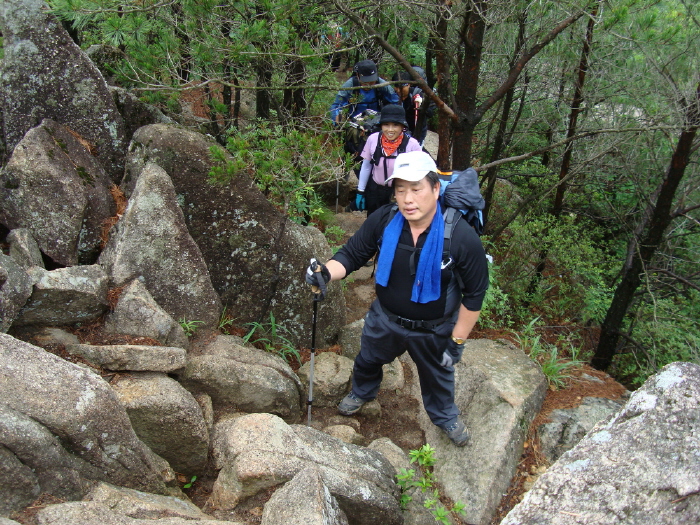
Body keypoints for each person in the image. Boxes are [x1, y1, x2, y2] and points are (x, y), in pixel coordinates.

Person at [305, 151, 489, 446]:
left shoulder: (461, 237)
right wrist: (325, 272)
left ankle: (444, 415)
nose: (407, 198)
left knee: (439, 377)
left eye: (416, 188)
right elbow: (352, 255)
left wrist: (457, 340)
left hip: (435, 329)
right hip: (386, 319)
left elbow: (475, 293)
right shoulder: (386, 220)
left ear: (435, 188)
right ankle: (363, 392)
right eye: (400, 189)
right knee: (367, 359)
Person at [355, 105, 422, 216]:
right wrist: (360, 191)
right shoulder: (373, 139)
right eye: (386, 124)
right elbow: (366, 166)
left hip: (400, 194)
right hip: (375, 191)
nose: (390, 130)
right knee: (374, 224)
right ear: (381, 125)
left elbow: (419, 173)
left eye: (395, 125)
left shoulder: (412, 145)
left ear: (402, 126)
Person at [329, 59, 399, 158]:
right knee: (354, 154)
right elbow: (337, 105)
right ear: (358, 76)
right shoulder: (351, 85)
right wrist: (337, 123)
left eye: (372, 81)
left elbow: (395, 102)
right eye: (366, 81)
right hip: (355, 125)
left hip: (376, 124)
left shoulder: (381, 84)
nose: (369, 84)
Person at [392, 69, 435, 145]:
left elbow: (430, 113)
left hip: (417, 133)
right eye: (396, 86)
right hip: (397, 133)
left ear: (409, 84)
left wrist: (422, 105)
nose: (398, 90)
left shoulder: (418, 95)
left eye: (401, 87)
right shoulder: (392, 96)